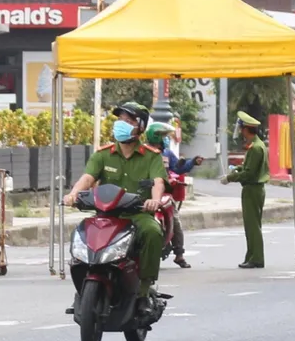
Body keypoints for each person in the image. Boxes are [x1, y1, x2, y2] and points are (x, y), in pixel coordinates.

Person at [63, 102, 166, 313]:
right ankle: (82, 291)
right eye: (120, 120)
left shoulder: (151, 156)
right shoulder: (103, 154)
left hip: (137, 215)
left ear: (140, 127)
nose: (122, 124)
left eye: (129, 121)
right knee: (81, 232)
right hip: (107, 215)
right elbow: (87, 178)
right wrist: (73, 194)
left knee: (153, 232)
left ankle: (144, 292)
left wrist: (154, 200)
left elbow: (158, 182)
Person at [144, 122, 204, 269]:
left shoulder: (167, 154)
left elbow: (178, 167)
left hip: (164, 194)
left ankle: (179, 254)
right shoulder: (142, 153)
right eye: (163, 136)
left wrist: (192, 162)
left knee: (175, 219)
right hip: (146, 193)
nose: (165, 139)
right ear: (155, 137)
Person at [220, 112, 270, 268]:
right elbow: (248, 168)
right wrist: (237, 169)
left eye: (242, 129)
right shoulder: (257, 145)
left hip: (253, 189)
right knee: (251, 225)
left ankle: (256, 259)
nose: (240, 131)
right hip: (254, 189)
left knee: (252, 226)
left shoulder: (256, 148)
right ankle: (251, 256)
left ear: (247, 129)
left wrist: (230, 178)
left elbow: (249, 174)